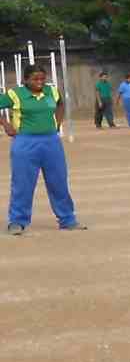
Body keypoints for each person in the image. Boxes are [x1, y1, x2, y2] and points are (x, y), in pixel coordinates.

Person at [3, 64, 83, 235]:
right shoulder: (15, 94)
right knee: (22, 184)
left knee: (59, 181)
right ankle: (17, 221)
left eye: (42, 79)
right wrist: (6, 125)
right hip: (25, 143)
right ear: (25, 80)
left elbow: (60, 105)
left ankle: (67, 219)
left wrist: (58, 123)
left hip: (51, 142)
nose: (40, 82)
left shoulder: (51, 91)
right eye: (35, 79)